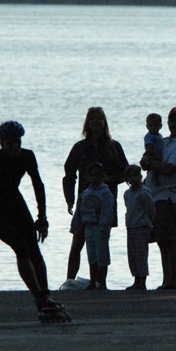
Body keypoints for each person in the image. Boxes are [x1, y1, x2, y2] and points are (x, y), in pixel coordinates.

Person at [0, 121, 68, 320]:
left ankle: (45, 297)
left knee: (34, 249)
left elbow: (38, 185)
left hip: (13, 201)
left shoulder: (27, 156)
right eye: (9, 143)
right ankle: (41, 298)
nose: (14, 147)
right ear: (1, 143)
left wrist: (42, 217)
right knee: (20, 247)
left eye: (17, 142)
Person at [62, 107, 128, 285]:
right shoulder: (80, 147)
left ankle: (99, 283)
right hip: (85, 202)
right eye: (93, 119)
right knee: (78, 241)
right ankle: (69, 281)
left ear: (105, 122)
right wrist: (69, 198)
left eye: (100, 118)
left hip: (106, 203)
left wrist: (109, 180)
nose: (97, 122)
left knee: (101, 242)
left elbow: (126, 172)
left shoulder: (114, 147)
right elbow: (69, 173)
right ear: (87, 123)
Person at [140, 107, 176, 290]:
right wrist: (146, 160)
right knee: (162, 241)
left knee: (171, 239)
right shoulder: (165, 141)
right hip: (154, 196)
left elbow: (170, 169)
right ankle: (166, 280)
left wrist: (150, 164)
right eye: (171, 120)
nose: (174, 124)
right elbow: (149, 157)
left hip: (168, 197)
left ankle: (174, 281)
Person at [79, 162, 115, 290]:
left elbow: (107, 210)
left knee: (102, 255)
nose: (94, 178)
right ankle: (93, 281)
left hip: (101, 227)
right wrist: (80, 223)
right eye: (92, 175)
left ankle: (102, 282)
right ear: (87, 177)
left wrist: (104, 225)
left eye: (97, 175)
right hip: (89, 226)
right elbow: (81, 209)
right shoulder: (86, 193)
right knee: (92, 255)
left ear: (103, 176)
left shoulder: (105, 192)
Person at [123, 164, 156, 291]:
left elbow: (151, 210)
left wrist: (149, 224)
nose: (133, 178)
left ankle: (142, 281)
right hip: (131, 227)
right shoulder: (127, 194)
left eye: (135, 175)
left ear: (140, 177)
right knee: (132, 254)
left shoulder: (144, 193)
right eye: (130, 176)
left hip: (142, 227)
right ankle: (136, 279)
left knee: (141, 254)